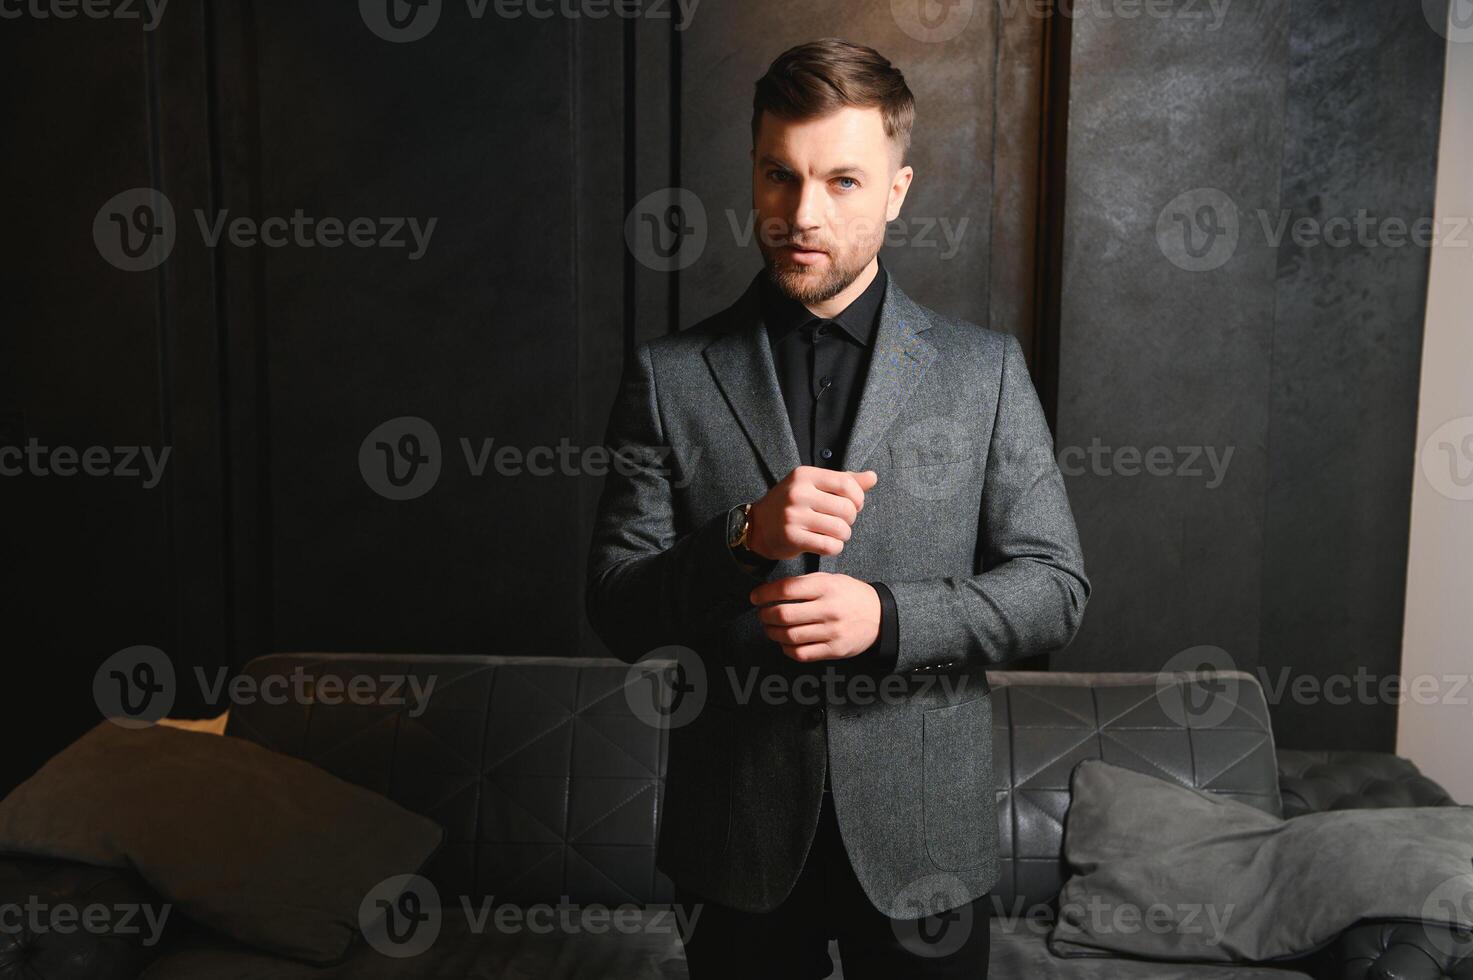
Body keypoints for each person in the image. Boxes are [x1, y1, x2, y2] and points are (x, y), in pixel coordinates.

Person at [586, 37, 1090, 980]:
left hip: (922, 846)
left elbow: (1056, 589)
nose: (801, 214)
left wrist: (889, 618)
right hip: (733, 842)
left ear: (898, 189)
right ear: (754, 171)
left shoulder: (982, 371)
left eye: (843, 182)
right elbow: (616, 605)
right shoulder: (668, 376)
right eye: (779, 176)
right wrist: (744, 538)